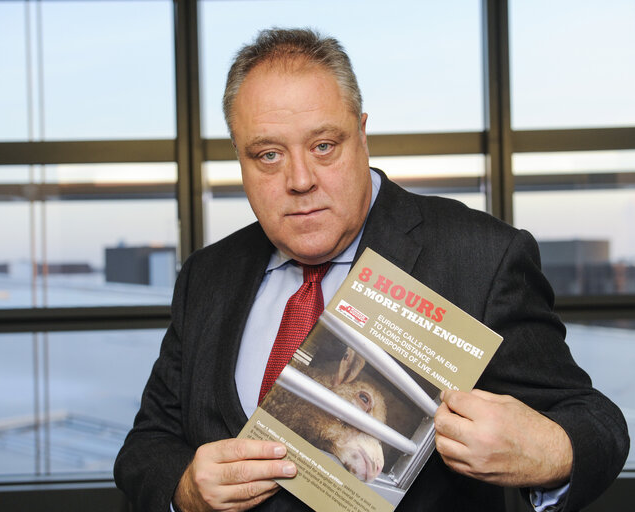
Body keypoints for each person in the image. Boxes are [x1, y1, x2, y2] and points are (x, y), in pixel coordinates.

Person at [114, 28, 629, 512]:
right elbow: (146, 445)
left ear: (362, 134)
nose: (299, 180)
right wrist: (185, 488)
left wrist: (550, 453)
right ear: (240, 160)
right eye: (268, 155)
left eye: (323, 146)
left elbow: (596, 422)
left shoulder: (480, 258)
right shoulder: (208, 275)